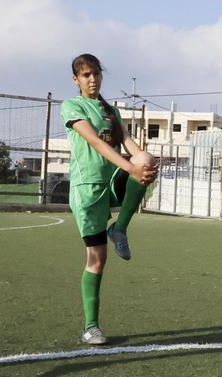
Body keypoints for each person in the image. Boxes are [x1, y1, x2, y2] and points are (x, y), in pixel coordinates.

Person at [61, 53, 157, 345]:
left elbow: (128, 142)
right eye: (86, 75)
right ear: (76, 79)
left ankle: (120, 228)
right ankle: (91, 326)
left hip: (112, 183)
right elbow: (95, 141)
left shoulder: (109, 111)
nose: (92, 79)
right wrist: (130, 167)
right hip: (88, 190)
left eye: (96, 74)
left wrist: (143, 164)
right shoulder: (72, 106)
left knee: (146, 158)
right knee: (97, 259)